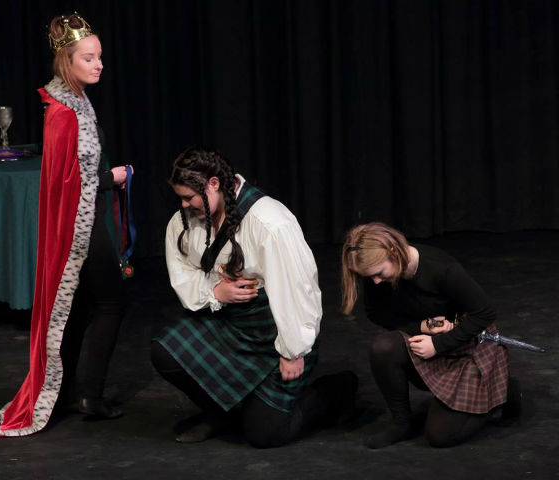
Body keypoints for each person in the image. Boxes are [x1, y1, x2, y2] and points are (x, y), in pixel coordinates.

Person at [0, 13, 133, 438]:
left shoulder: (76, 101)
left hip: (87, 219)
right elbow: (69, 182)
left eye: (99, 56)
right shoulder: (63, 112)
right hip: (79, 226)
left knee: (83, 306)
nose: (98, 64)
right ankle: (90, 395)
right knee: (110, 303)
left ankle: (66, 391)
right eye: (89, 58)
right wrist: (112, 178)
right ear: (67, 61)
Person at [151, 147, 357, 448]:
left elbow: (297, 288)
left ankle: (336, 390)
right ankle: (220, 411)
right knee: (166, 352)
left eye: (188, 197)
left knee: (266, 433)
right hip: (228, 324)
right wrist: (215, 292)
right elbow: (182, 270)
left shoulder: (269, 222)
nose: (183, 205)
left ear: (213, 184)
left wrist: (293, 350)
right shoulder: (186, 220)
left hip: (273, 332)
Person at [341, 222, 519, 449]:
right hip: (431, 342)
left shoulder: (442, 269)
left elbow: (485, 313)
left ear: (393, 252)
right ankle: (402, 424)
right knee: (383, 348)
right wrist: (423, 327)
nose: (375, 281)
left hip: (467, 345)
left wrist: (438, 344)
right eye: (370, 277)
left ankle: (501, 392)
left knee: (440, 436)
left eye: (379, 274)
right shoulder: (377, 273)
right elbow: (375, 313)